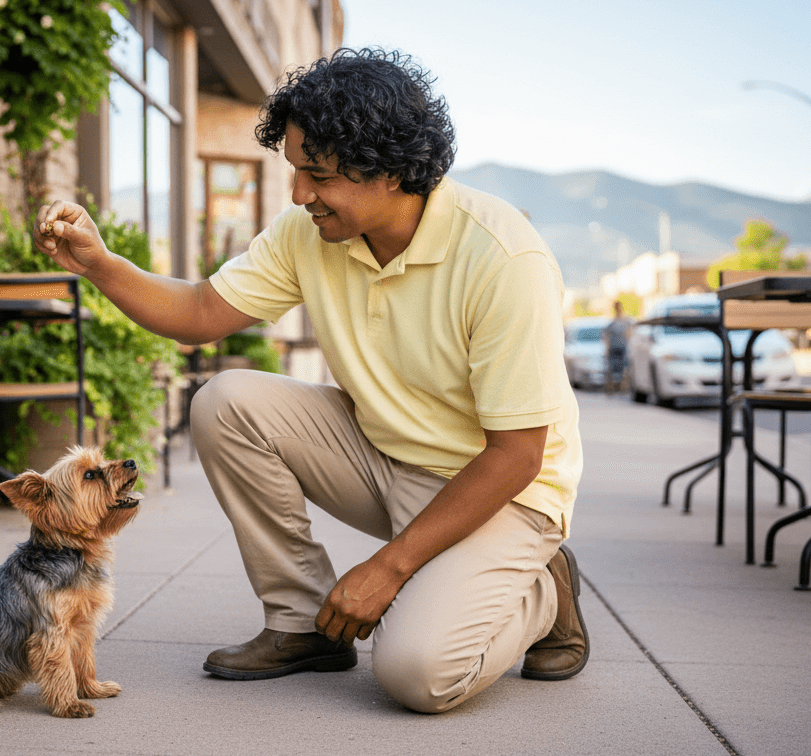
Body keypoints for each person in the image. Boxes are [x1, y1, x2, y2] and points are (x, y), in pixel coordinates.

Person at [32, 47, 586, 714]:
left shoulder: (501, 257)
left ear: (391, 171)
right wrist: (100, 264)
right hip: (386, 458)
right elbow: (202, 313)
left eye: (317, 176)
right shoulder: (310, 233)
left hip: (499, 492)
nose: (299, 195)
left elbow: (519, 454)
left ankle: (543, 591)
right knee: (226, 402)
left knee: (418, 675)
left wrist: (388, 566)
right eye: (295, 170)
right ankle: (302, 625)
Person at [604, 301, 634, 394]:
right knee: (612, 369)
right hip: (613, 348)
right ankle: (612, 388)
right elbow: (607, 336)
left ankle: (623, 387)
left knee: (624, 369)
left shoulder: (627, 321)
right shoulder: (612, 322)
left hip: (623, 348)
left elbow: (630, 333)